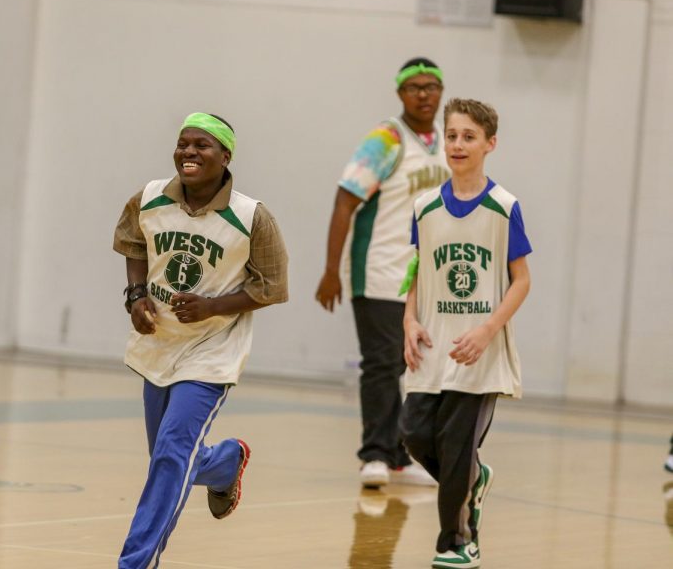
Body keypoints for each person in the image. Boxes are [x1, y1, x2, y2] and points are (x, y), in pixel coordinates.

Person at [112, 112, 288, 568]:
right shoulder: (149, 198)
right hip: (160, 343)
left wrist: (213, 307)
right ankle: (226, 462)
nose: (188, 152)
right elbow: (133, 244)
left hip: (213, 349)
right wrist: (136, 296)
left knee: (172, 455)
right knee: (171, 459)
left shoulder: (252, 217)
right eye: (182, 143)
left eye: (201, 146)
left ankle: (136, 561)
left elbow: (271, 287)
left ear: (226, 157)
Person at [399, 98, 531, 569]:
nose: (458, 144)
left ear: (489, 144)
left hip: (478, 351)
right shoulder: (424, 205)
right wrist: (409, 321)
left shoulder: (504, 206)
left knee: (455, 449)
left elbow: (522, 280)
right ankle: (473, 481)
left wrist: (488, 328)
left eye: (469, 136)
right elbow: (415, 272)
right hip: (432, 345)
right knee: (414, 435)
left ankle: (456, 542)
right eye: (452, 135)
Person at [315, 57, 449, 488]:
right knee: (381, 363)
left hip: (424, 275)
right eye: (415, 87)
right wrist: (331, 270)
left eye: (432, 86)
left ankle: (398, 456)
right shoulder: (385, 140)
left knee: (411, 364)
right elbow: (344, 201)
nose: (425, 94)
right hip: (377, 269)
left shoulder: (447, 142)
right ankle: (373, 454)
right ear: (400, 94)